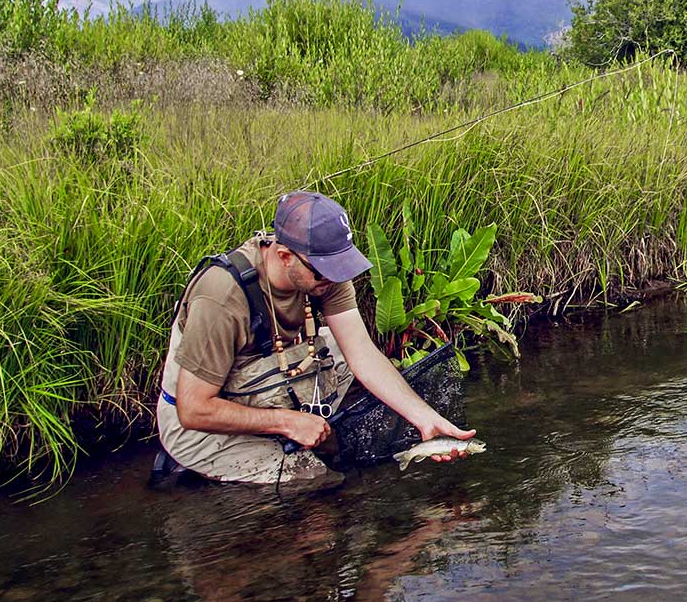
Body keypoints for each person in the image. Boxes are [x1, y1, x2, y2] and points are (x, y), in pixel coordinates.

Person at [154, 190, 474, 487]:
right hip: (195, 423)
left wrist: (425, 418)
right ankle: (194, 464)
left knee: (335, 347)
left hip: (264, 383)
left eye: (341, 266)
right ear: (284, 256)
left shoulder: (323, 269)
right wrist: (287, 422)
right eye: (324, 271)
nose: (334, 278)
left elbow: (361, 353)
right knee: (312, 479)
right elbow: (193, 409)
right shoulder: (222, 298)